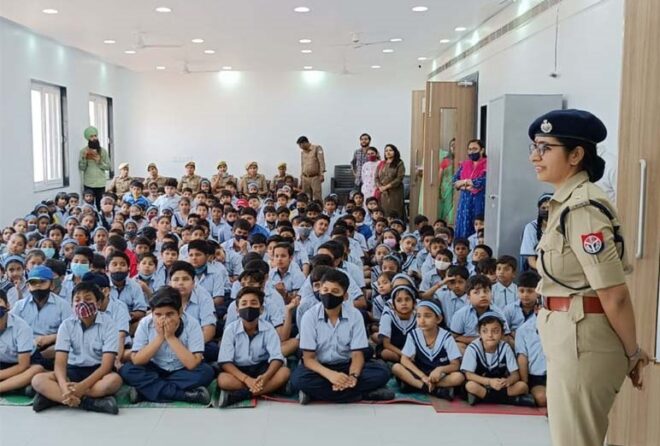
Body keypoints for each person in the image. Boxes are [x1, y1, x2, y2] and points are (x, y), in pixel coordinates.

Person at [528, 109, 649, 445]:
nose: (535, 157)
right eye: (534, 147)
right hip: (570, 334)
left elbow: (614, 294)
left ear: (576, 155)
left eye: (545, 148)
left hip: (583, 340)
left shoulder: (582, 208)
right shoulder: (566, 203)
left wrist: (632, 352)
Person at [290, 269, 393, 404]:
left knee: (382, 372)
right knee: (298, 379)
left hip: (347, 364)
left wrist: (353, 376)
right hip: (320, 368)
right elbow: (309, 359)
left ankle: (318, 394)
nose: (328, 295)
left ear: (345, 296)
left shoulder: (355, 315)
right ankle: (362, 394)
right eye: (325, 290)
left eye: (335, 291)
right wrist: (331, 376)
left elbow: (357, 354)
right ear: (320, 291)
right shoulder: (309, 316)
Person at [31, 282, 123, 414]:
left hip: (97, 372)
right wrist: (64, 386)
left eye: (88, 299)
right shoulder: (66, 325)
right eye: (77, 300)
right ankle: (87, 402)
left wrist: (82, 387)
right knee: (38, 380)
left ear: (98, 303)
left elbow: (106, 366)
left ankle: (55, 398)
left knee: (114, 381)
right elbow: (60, 364)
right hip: (72, 370)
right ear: (72, 304)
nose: (82, 303)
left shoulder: (109, 325)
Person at [118, 286, 215, 404]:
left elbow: (192, 364)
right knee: (127, 370)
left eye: (169, 314)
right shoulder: (145, 323)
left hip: (181, 369)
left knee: (206, 372)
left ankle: (147, 391)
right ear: (152, 313)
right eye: (158, 315)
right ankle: (184, 395)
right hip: (154, 367)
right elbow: (137, 360)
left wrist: (170, 337)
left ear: (179, 312)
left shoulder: (192, 324)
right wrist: (160, 337)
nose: (163, 319)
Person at [217, 287, 291, 407]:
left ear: (261, 309)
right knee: (223, 380)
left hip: (262, 369)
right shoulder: (230, 330)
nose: (249, 307)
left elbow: (277, 358)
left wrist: (266, 377)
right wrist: (246, 379)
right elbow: (225, 362)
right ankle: (268, 389)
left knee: (284, 372)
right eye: (244, 304)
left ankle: (243, 394)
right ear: (237, 310)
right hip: (240, 371)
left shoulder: (268, 328)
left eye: (253, 303)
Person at [391, 300, 464, 400]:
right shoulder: (413, 334)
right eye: (418, 316)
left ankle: (415, 385)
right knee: (396, 367)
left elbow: (455, 365)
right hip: (420, 373)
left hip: (439, 376)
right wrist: (422, 376)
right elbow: (404, 359)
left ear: (438, 319)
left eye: (427, 316)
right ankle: (434, 390)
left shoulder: (446, 337)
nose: (422, 320)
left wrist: (439, 369)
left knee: (459, 377)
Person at [460, 313, 533, 406]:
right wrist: (489, 382)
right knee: (471, 386)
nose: (490, 335)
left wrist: (508, 381)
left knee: (522, 386)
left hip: (499, 386)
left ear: (502, 334)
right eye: (485, 331)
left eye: (495, 331)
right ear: (479, 333)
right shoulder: (473, 348)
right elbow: (469, 375)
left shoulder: (505, 347)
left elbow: (515, 374)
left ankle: (483, 398)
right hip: (482, 384)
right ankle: (512, 400)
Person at [0, 289, 45, 393]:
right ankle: (18, 386)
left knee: (36, 369)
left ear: (7, 306)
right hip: (3, 363)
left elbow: (23, 365)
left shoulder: (21, 327)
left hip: (27, 362)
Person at [453, 139, 487, 239]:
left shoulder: (487, 164)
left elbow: (483, 181)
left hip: (479, 200)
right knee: (463, 226)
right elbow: (455, 181)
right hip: (465, 202)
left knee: (478, 225)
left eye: (475, 149)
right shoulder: (465, 165)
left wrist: (464, 182)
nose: (472, 152)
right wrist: (468, 184)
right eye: (470, 149)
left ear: (482, 150)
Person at [78, 126, 110, 209]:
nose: (94, 138)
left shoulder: (103, 151)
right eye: (91, 136)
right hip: (88, 183)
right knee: (88, 206)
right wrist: (84, 158)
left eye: (95, 136)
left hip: (100, 183)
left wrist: (99, 162)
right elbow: (82, 168)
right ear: (88, 138)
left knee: (101, 206)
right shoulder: (83, 151)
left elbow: (108, 167)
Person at [519, 193, 552, 271]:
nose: (546, 210)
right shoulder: (531, 228)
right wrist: (545, 272)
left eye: (549, 208)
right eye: (543, 208)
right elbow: (531, 260)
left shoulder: (562, 225)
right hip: (537, 269)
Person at [375, 144, 406, 219]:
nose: (388, 152)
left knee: (395, 212)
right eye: (386, 151)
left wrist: (386, 187)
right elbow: (376, 177)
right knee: (384, 211)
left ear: (395, 152)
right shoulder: (382, 163)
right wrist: (380, 187)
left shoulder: (399, 163)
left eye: (390, 150)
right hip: (383, 192)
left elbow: (399, 178)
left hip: (395, 192)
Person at [297, 136, 326, 201]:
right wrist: (301, 180)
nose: (300, 147)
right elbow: (302, 165)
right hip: (305, 177)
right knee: (306, 197)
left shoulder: (317, 148)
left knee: (317, 196)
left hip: (315, 177)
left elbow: (321, 161)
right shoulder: (302, 152)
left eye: (300, 145)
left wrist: (322, 174)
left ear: (304, 143)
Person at [438, 138, 456, 223]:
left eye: (456, 145)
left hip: (457, 187)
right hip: (446, 188)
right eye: (452, 145)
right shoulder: (446, 160)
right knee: (446, 208)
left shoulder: (463, 160)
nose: (454, 147)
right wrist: (438, 189)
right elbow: (440, 176)